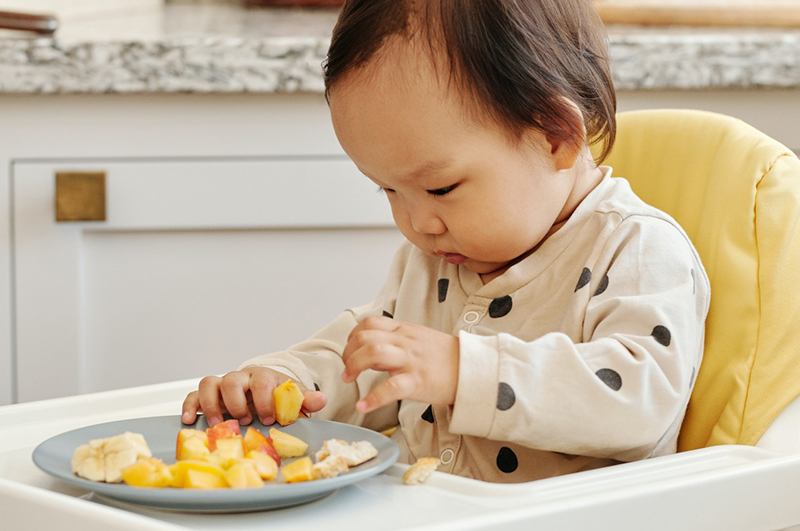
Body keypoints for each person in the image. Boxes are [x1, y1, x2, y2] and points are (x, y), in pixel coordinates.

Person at [182, 0, 710, 483]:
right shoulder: (433, 259)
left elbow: (641, 400)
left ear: (555, 137)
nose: (418, 223)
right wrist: (283, 383)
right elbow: (367, 359)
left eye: (441, 187)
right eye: (388, 188)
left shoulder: (637, 248)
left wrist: (465, 371)